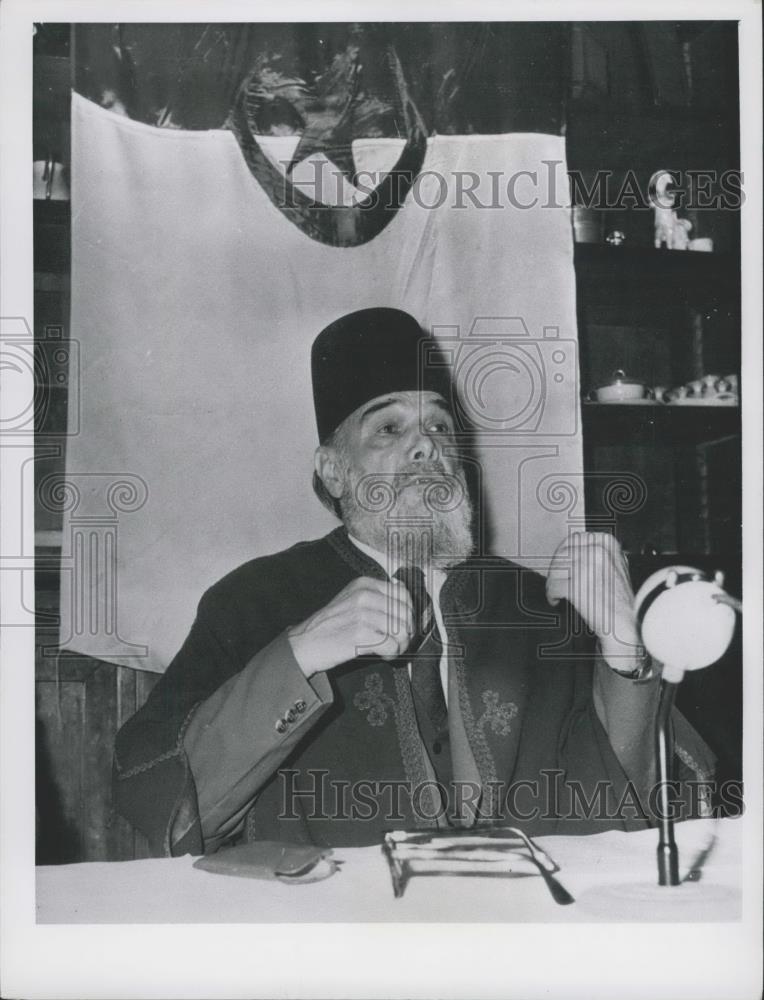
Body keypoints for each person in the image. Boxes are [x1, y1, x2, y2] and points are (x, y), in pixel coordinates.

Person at [113, 307, 714, 857]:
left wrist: (626, 657)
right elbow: (167, 807)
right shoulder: (253, 600)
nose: (427, 445)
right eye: (389, 429)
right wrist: (295, 657)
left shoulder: (535, 605)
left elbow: (653, 813)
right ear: (334, 470)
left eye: (440, 427)